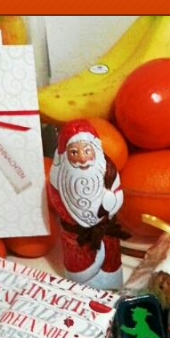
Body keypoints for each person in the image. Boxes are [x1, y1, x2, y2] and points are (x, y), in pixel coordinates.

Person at [48, 120, 125, 289]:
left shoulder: (107, 168)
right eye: (74, 153)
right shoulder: (59, 176)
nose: (82, 159)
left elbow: (118, 190)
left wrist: (113, 202)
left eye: (87, 151)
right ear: (65, 154)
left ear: (95, 149)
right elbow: (56, 200)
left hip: (106, 231)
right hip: (76, 237)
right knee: (79, 274)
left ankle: (112, 285)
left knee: (110, 267)